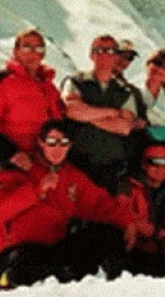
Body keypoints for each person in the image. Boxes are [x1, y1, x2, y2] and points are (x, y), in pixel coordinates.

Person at [0, 120, 137, 289]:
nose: (57, 148)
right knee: (26, 268)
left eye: (63, 143)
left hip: (54, 249)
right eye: (52, 142)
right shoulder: (18, 168)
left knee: (108, 234)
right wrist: (36, 191)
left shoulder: (70, 175)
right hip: (20, 249)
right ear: (41, 142)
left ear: (70, 145)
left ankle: (83, 281)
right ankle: (13, 281)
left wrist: (127, 221)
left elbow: (100, 203)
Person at [0, 27, 65, 292]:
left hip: (39, 167)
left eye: (38, 47)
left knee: (32, 229)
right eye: (27, 46)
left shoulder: (49, 88)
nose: (33, 52)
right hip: (4, 165)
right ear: (15, 51)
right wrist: (10, 154)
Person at [61, 35, 146, 194]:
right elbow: (71, 110)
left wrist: (87, 115)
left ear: (115, 56)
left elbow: (124, 127)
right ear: (91, 55)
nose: (104, 55)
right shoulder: (75, 81)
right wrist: (111, 112)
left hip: (111, 170)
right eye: (98, 50)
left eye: (110, 51)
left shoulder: (125, 91)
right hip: (76, 165)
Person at [116, 140, 165, 277]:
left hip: (164, 251)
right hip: (135, 250)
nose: (160, 170)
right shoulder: (127, 186)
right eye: (154, 164)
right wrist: (156, 233)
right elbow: (123, 215)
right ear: (144, 165)